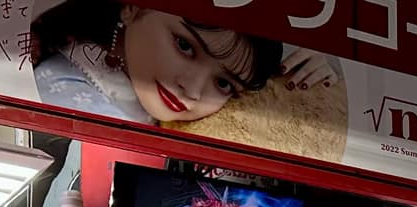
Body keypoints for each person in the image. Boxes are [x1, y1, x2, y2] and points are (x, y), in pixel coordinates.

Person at [32, 1, 291, 125]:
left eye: (223, 84)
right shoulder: (61, 87)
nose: (192, 90)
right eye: (184, 46)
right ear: (132, 7)